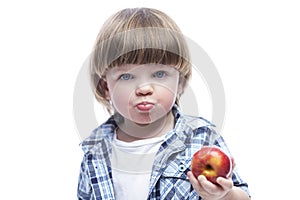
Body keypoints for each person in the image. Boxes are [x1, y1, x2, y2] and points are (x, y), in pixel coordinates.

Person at [77, 7, 251, 200]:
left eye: (159, 74)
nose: (144, 88)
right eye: (126, 76)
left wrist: (223, 195)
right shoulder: (95, 150)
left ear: (180, 83)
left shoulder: (201, 138)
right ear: (106, 87)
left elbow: (242, 196)